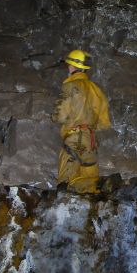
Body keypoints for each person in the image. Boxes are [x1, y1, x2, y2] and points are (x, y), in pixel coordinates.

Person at [51, 49, 111, 194]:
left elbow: (58, 116)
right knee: (90, 187)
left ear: (72, 66)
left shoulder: (70, 86)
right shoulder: (97, 90)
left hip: (74, 141)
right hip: (91, 142)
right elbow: (104, 123)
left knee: (65, 186)